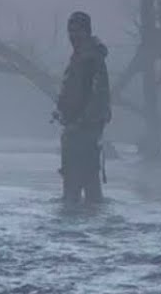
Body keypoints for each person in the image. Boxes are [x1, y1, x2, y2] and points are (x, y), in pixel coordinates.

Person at [54, 11, 112, 204]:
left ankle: (82, 230)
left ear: (87, 32)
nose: (73, 36)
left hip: (85, 133)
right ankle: (83, 228)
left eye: (77, 31)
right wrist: (60, 110)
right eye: (70, 31)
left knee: (81, 189)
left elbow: (99, 97)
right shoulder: (78, 57)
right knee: (79, 187)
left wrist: (80, 123)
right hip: (76, 132)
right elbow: (73, 90)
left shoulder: (92, 58)